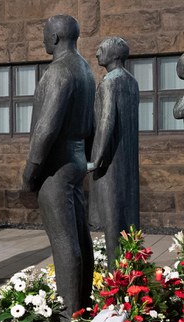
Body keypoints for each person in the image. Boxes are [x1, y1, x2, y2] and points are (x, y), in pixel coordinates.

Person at [22, 15, 95, 321]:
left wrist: (31, 168)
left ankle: (69, 314)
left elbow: (46, 128)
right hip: (76, 160)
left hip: (56, 165)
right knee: (79, 236)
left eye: (44, 35)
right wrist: (87, 159)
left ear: (54, 38)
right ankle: (82, 302)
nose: (43, 40)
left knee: (65, 240)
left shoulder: (58, 71)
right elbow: (90, 123)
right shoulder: (85, 70)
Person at [88, 37, 140, 268]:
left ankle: (115, 279)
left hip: (110, 161)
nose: (97, 52)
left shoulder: (109, 82)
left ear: (115, 55)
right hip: (128, 160)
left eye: (102, 49)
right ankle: (132, 271)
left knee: (112, 221)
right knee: (128, 220)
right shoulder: (132, 81)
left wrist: (96, 159)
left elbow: (107, 121)